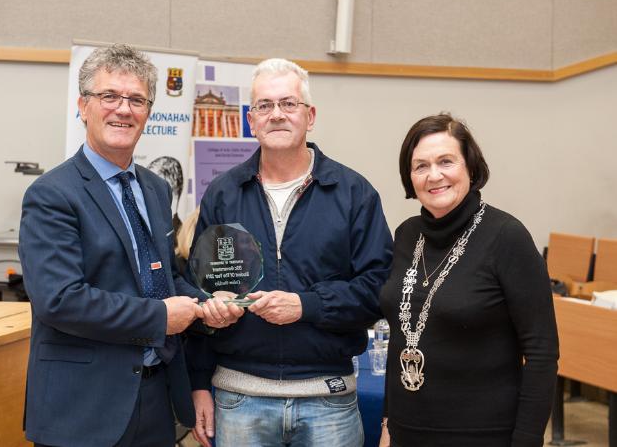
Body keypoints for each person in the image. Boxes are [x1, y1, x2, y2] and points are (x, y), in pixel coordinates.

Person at [186, 58, 393, 447]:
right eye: (264, 105)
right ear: (252, 120)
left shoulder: (353, 193)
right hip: (238, 401)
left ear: (309, 115)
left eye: (288, 103)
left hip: (328, 402)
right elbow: (200, 286)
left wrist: (306, 306)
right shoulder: (223, 193)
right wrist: (209, 316)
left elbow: (379, 289)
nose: (276, 115)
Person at [18, 44, 204, 447]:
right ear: (83, 106)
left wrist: (206, 305)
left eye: (136, 99)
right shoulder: (52, 194)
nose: (124, 109)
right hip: (82, 408)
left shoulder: (154, 189)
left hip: (155, 400)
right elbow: (60, 300)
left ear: (148, 113)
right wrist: (159, 318)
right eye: (110, 97)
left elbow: (165, 275)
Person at [379, 113, 559, 447]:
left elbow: (542, 352)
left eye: (446, 161)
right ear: (409, 176)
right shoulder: (406, 235)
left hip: (482, 434)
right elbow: (402, 340)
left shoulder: (507, 237)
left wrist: (527, 440)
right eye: (420, 166)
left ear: (471, 168)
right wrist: (388, 423)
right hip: (408, 431)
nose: (434, 175)